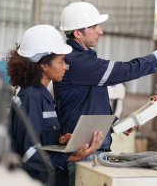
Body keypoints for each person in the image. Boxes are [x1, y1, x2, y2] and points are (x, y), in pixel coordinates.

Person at [53, 1, 157, 185]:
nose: (100, 31)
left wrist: (117, 123)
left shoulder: (83, 60)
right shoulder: (77, 62)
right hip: (83, 151)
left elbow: (91, 104)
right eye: (94, 26)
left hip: (92, 149)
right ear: (77, 33)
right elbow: (126, 70)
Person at [7, 24, 104, 186]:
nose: (65, 66)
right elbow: (30, 154)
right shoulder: (31, 97)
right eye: (61, 61)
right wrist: (72, 157)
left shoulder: (42, 95)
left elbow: (40, 140)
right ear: (44, 65)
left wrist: (62, 141)